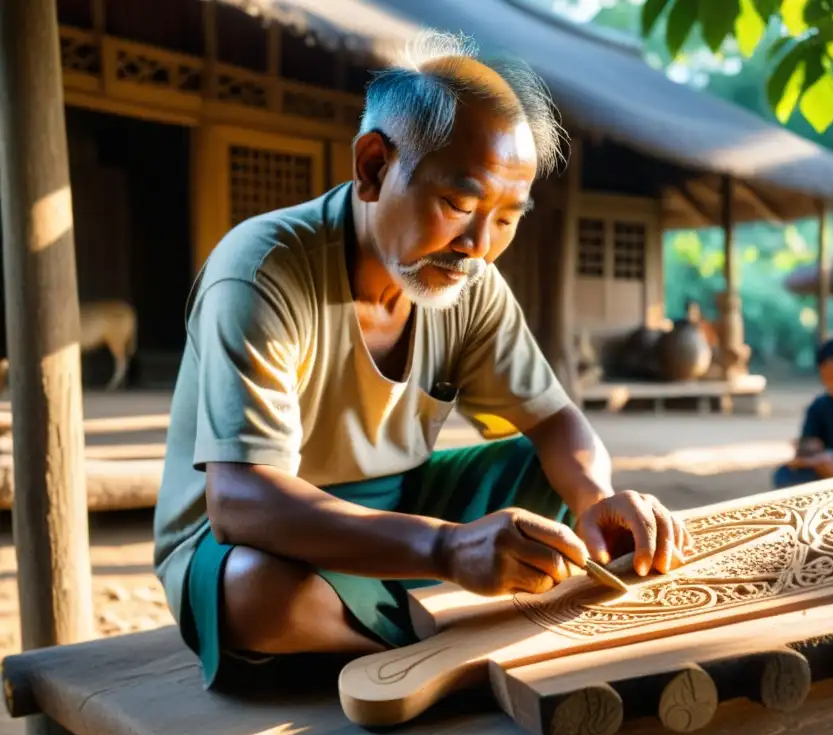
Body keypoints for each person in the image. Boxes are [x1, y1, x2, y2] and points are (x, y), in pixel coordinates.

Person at [153, 31, 688, 690]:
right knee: (259, 596)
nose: (479, 246)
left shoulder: (471, 283)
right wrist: (443, 548)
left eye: (505, 218)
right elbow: (240, 501)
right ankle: (445, 654)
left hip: (399, 510)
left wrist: (599, 497)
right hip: (260, 538)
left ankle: (391, 636)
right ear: (375, 166)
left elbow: (554, 423)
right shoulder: (263, 271)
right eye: (459, 205)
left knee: (548, 477)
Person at [772, 333, 833, 489]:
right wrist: (808, 451)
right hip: (827, 468)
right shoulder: (820, 406)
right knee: (785, 475)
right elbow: (809, 444)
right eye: (827, 379)